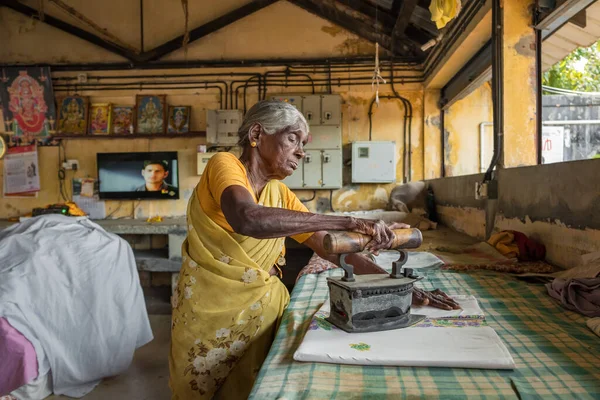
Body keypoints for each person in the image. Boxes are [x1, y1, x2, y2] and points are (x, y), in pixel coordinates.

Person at [169, 100, 460, 400]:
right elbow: (247, 218)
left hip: (258, 314)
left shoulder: (279, 193)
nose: (301, 151)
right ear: (257, 133)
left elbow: (327, 246)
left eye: (303, 143)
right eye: (293, 138)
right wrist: (348, 220)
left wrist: (394, 284)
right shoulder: (225, 165)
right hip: (210, 316)